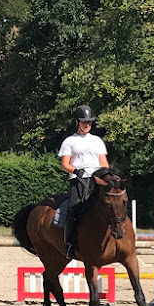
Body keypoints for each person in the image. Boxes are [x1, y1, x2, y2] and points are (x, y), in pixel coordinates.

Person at [58, 104, 110, 258]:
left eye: (89, 122)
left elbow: (104, 163)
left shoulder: (97, 141)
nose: (87, 124)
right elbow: (65, 164)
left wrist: (107, 176)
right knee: (74, 209)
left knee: (112, 204)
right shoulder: (69, 141)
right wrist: (75, 170)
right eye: (84, 122)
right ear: (78, 122)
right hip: (79, 180)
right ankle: (70, 244)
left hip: (97, 179)